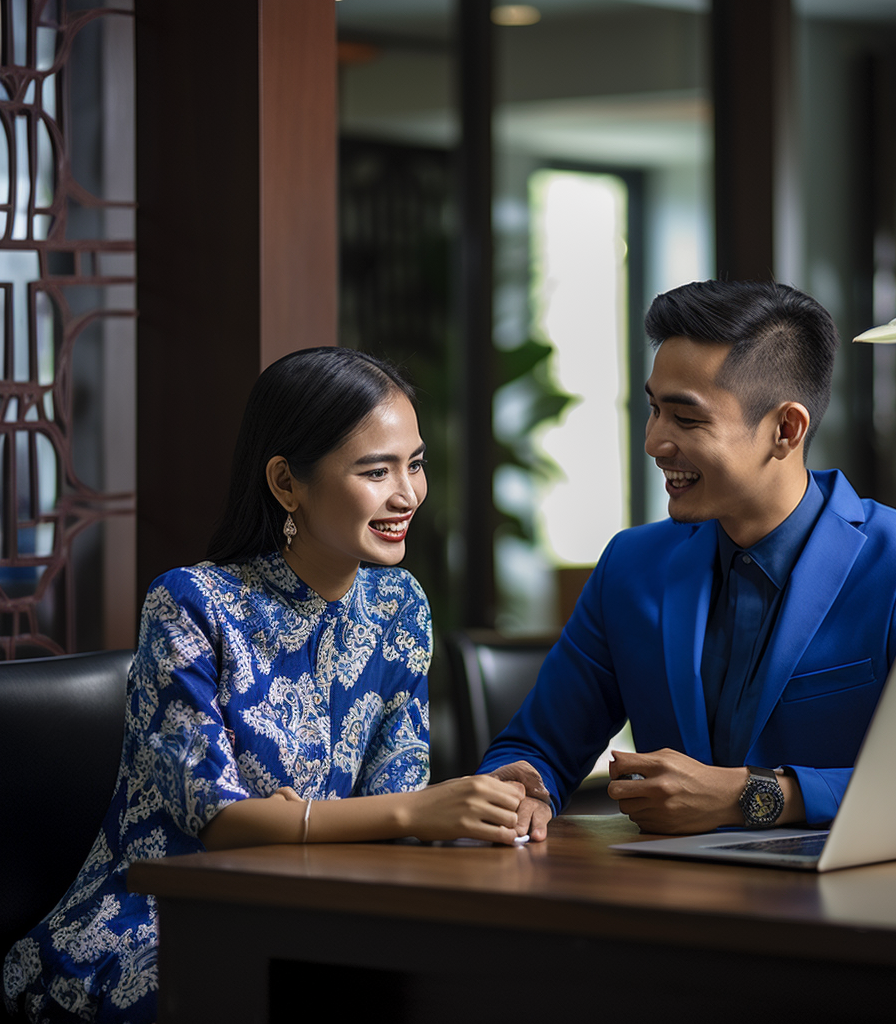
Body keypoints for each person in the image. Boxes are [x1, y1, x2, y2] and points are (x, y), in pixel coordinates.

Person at [3, 347, 526, 1024]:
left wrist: (307, 822)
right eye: (376, 471)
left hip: (318, 904)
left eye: (415, 463)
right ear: (287, 484)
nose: (407, 495)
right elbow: (219, 824)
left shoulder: (400, 605)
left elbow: (391, 800)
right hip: (155, 923)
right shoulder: (190, 604)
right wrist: (408, 812)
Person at [480, 279, 896, 841]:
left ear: (785, 430)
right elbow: (537, 746)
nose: (654, 442)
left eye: (686, 420)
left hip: (847, 908)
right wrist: (523, 792)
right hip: (664, 905)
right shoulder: (630, 565)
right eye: (653, 410)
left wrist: (754, 796)